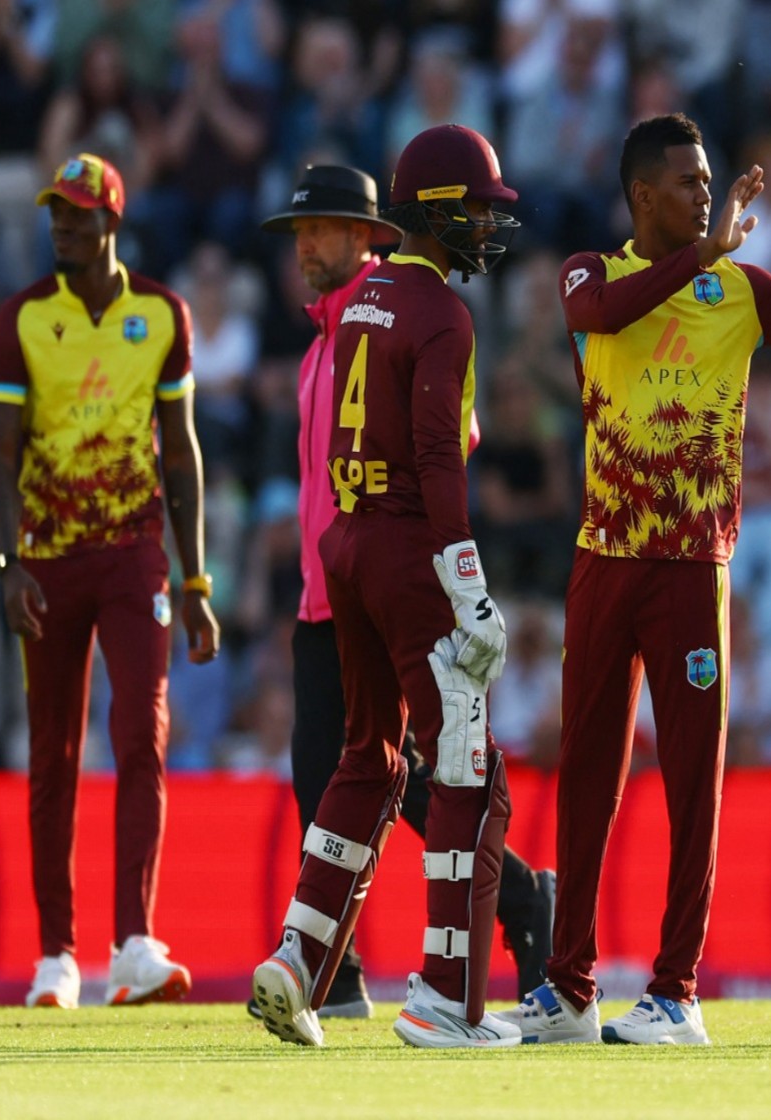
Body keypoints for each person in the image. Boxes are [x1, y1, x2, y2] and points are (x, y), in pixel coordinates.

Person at [494, 114, 771, 1046]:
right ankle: (571, 987)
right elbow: (598, 319)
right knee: (587, 776)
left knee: (693, 783)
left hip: (694, 571)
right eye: (691, 181)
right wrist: (705, 248)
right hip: (604, 561)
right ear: (642, 197)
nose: (710, 191)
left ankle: (677, 991)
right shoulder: (594, 272)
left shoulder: (734, 289)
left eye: (710, 179)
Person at [251, 163, 555, 1021]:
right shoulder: (439, 314)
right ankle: (447, 998)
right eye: (478, 209)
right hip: (401, 559)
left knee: (364, 762)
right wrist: (470, 586)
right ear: (436, 212)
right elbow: (439, 458)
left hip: (343, 557)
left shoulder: (356, 310)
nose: (488, 228)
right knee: (468, 774)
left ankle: (305, 962)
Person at [0, 152, 221, 1009]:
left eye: (77, 217)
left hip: (133, 556)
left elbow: (183, 454)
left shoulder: (161, 315)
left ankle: (135, 944)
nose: (61, 229)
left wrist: (197, 582)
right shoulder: (20, 320)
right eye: (56, 215)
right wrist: (9, 568)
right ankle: (56, 956)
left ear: (111, 221)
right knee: (53, 753)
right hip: (46, 558)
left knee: (140, 735)